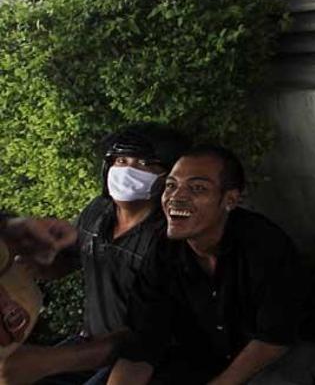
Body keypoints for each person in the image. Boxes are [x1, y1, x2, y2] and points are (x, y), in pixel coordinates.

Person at [107, 145, 315, 385]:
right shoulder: (164, 251)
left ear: (230, 200)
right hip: (213, 357)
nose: (176, 197)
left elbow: (274, 338)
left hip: (285, 350)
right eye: (171, 185)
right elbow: (143, 341)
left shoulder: (264, 245)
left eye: (197, 188)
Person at [0, 123, 190, 385]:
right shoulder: (99, 211)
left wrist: (50, 360)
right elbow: (70, 261)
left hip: (144, 360)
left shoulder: (174, 238)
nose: (127, 171)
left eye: (144, 164)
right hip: (88, 344)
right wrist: (40, 259)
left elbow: (153, 332)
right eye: (121, 160)